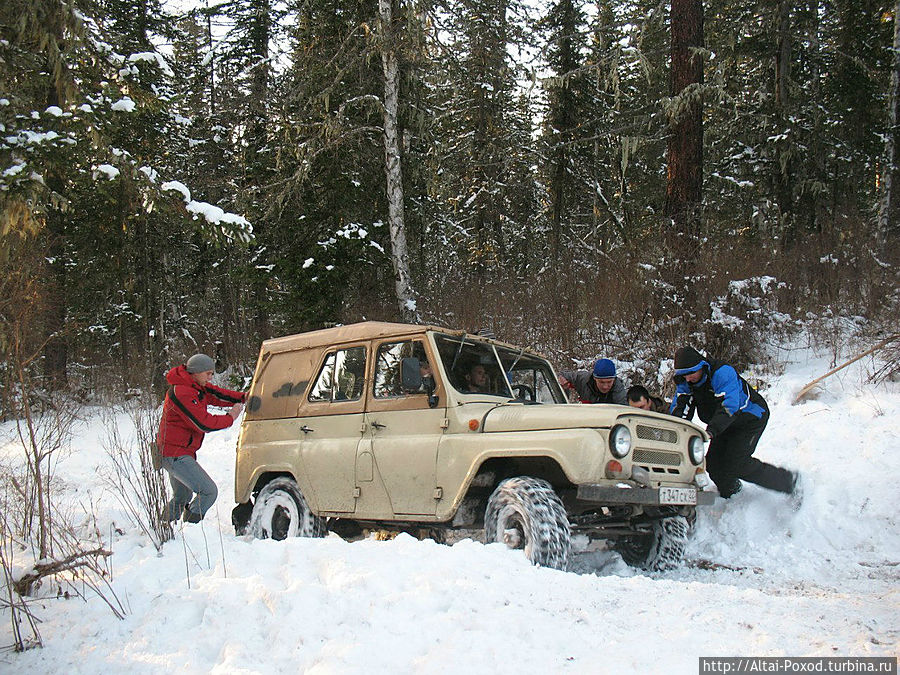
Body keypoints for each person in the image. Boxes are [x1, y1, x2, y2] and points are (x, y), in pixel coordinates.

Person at [670, 346, 798, 499]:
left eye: (691, 373)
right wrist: (674, 432)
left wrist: (711, 431)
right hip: (724, 424)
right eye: (684, 375)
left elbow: (730, 406)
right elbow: (681, 408)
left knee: (738, 463)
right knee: (713, 464)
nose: (688, 378)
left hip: (750, 418)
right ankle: (733, 494)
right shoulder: (687, 382)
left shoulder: (722, 373)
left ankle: (790, 483)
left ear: (701, 366)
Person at [156, 353, 246, 523]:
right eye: (208, 373)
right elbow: (203, 423)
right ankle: (190, 527)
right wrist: (231, 416)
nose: (211, 377)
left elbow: (218, 394)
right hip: (174, 454)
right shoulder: (182, 392)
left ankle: (163, 527)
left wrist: (244, 397)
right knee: (208, 492)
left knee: (182, 496)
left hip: (178, 453)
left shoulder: (195, 387)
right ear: (196, 372)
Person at [558, 358, 627, 405]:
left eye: (609, 382)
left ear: (614, 379)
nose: (605, 386)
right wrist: (562, 380)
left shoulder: (619, 392)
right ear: (594, 378)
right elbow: (562, 376)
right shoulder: (583, 379)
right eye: (601, 382)